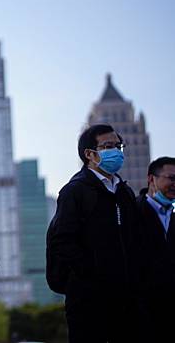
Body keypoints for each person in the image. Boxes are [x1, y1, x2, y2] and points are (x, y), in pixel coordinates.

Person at [47, 124, 141, 343]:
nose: (116, 152)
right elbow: (62, 240)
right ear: (89, 154)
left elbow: (135, 239)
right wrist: (91, 274)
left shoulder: (124, 191)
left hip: (126, 296)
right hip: (88, 298)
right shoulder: (75, 191)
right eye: (108, 146)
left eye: (119, 146)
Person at [135, 156, 175, 341]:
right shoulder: (131, 213)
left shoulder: (172, 218)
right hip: (140, 314)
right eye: (171, 178)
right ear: (152, 179)